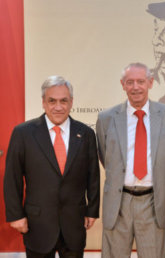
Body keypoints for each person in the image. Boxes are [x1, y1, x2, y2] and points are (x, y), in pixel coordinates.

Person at [4, 76, 100, 258]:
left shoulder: (86, 134)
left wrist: (92, 210)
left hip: (74, 224)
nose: (58, 106)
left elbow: (92, 175)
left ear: (71, 102)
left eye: (64, 101)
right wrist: (16, 215)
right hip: (37, 225)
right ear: (43, 103)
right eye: (52, 101)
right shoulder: (23, 133)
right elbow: (12, 178)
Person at [96, 63, 165, 258]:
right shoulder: (107, 117)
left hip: (152, 201)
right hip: (119, 201)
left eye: (141, 81)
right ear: (122, 85)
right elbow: (104, 155)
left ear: (150, 83)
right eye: (130, 82)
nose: (135, 87)